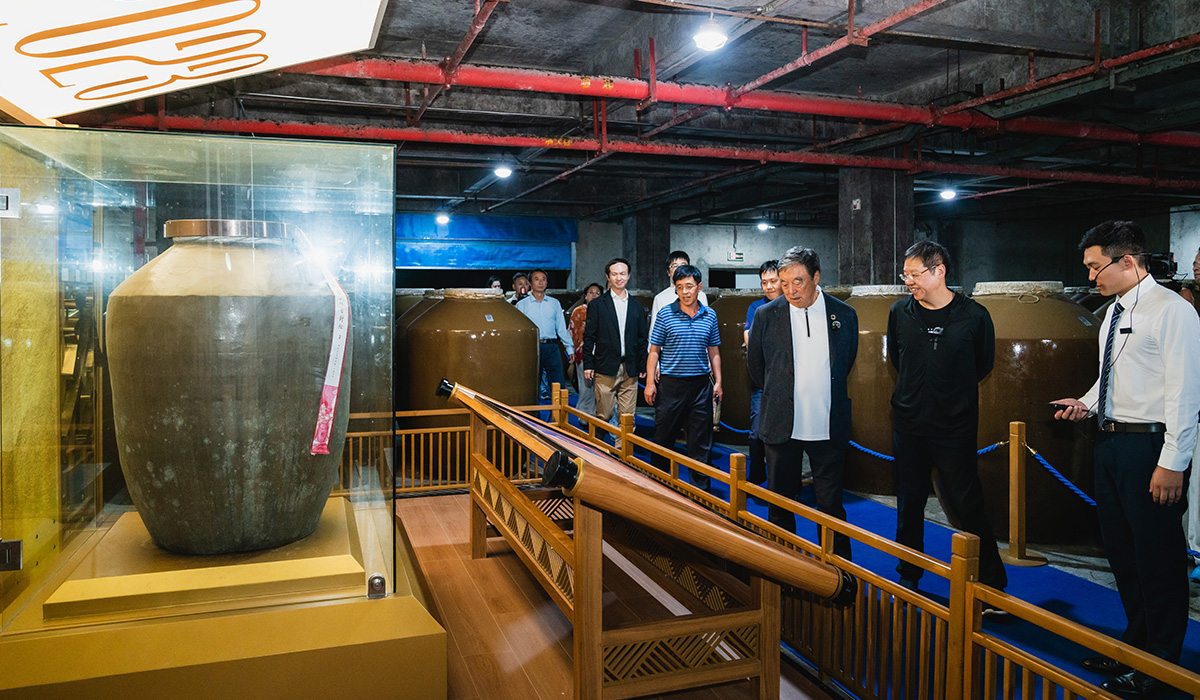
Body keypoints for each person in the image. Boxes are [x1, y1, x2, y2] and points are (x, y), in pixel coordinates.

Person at [1053, 221, 1200, 698]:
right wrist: (1087, 404)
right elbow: (1112, 375)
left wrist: (1173, 462)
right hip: (1111, 443)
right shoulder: (1114, 311)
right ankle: (1136, 645)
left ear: (1128, 261)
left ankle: (1162, 665)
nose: (1090, 277)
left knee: (1158, 559)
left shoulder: (1172, 311)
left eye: (1095, 267)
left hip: (1150, 449)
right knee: (1122, 552)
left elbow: (1185, 392)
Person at [887, 240, 1009, 600]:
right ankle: (909, 573)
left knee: (967, 503)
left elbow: (982, 364)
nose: (908, 281)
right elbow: (898, 360)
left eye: (914, 274)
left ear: (939, 271)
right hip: (908, 424)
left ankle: (991, 584)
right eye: (905, 274)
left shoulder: (974, 316)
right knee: (909, 503)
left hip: (954, 427)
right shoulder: (899, 312)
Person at [747, 248, 856, 560]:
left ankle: (838, 570)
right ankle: (783, 568)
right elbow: (757, 367)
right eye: (784, 283)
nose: (790, 290)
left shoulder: (843, 314)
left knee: (831, 506)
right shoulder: (766, 315)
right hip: (782, 424)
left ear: (816, 277)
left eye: (798, 281)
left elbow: (845, 362)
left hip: (827, 424)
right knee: (780, 505)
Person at [646, 264, 721, 491]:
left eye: (689, 286)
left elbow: (714, 351)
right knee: (663, 437)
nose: (685, 292)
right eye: (680, 287)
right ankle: (659, 486)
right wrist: (650, 383)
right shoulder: (665, 314)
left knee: (701, 442)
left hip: (700, 386)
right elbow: (654, 351)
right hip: (671, 385)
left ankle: (700, 493)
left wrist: (719, 382)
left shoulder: (710, 315)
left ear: (699, 287)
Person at [583, 259, 648, 438]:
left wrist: (643, 364)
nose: (619, 278)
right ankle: (598, 450)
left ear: (628, 276)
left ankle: (622, 454)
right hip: (605, 366)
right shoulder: (597, 305)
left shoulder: (636, 305)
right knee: (604, 415)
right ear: (608, 277)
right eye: (615, 274)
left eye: (622, 274)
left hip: (630, 368)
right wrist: (588, 364)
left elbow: (642, 338)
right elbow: (589, 337)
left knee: (627, 419)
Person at [744, 259, 782, 485]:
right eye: (764, 282)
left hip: (787, 382)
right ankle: (756, 477)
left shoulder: (793, 304)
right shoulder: (756, 308)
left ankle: (787, 482)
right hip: (762, 381)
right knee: (756, 431)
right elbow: (750, 340)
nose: (768, 286)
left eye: (773, 281)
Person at [516, 269, 573, 408]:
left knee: (558, 383)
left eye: (543, 279)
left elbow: (561, 328)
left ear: (547, 282)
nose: (540, 282)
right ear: (530, 283)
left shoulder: (554, 303)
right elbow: (520, 331)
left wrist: (569, 348)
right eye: (536, 279)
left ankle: (559, 415)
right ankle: (532, 416)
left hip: (552, 346)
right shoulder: (522, 305)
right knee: (532, 384)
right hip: (532, 347)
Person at [649, 251, 709, 372]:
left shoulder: (700, 295)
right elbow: (653, 335)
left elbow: (707, 330)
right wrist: (656, 365)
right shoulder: (660, 298)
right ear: (668, 272)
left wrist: (708, 360)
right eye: (674, 266)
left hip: (696, 359)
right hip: (670, 360)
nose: (679, 269)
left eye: (683, 265)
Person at [569, 282, 604, 415]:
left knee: (601, 386)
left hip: (602, 354)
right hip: (583, 353)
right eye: (591, 293)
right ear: (585, 296)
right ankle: (583, 414)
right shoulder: (578, 311)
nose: (594, 295)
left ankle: (598, 413)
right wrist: (571, 351)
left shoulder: (605, 310)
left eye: (597, 293)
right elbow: (571, 332)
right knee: (585, 386)